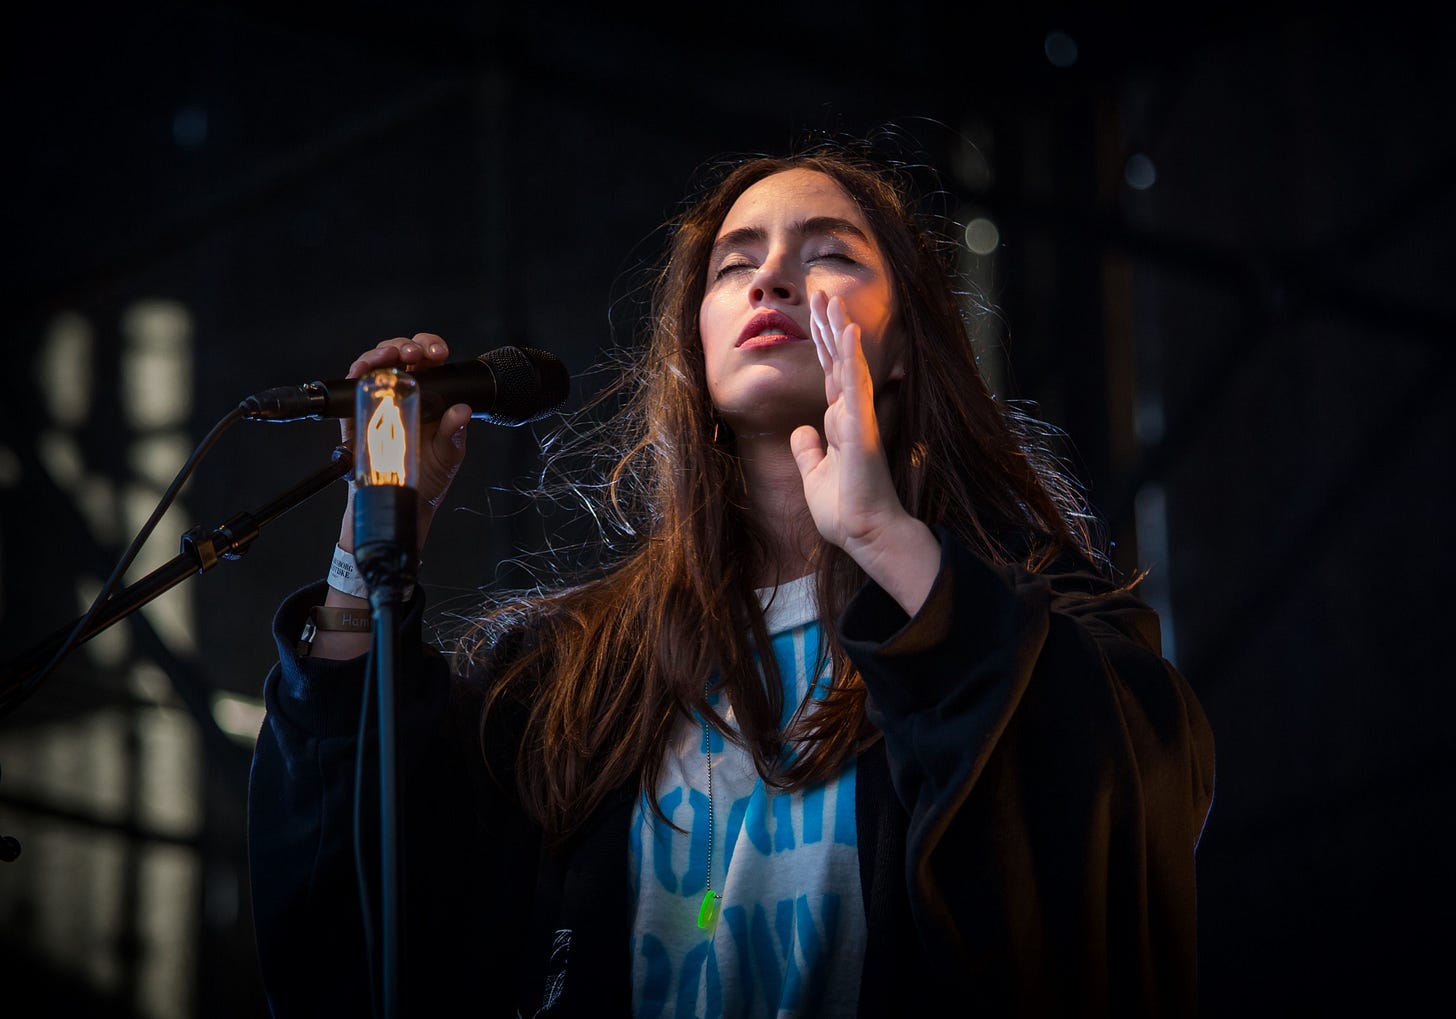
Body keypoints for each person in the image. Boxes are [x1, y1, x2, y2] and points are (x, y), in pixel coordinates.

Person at [246, 141, 1217, 1018]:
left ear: (910, 341)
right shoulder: (570, 671)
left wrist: (884, 536)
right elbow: (350, 913)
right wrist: (368, 550)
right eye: (735, 263)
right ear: (692, 343)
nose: (773, 281)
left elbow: (1097, 863)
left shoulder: (1033, 628)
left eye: (829, 251)